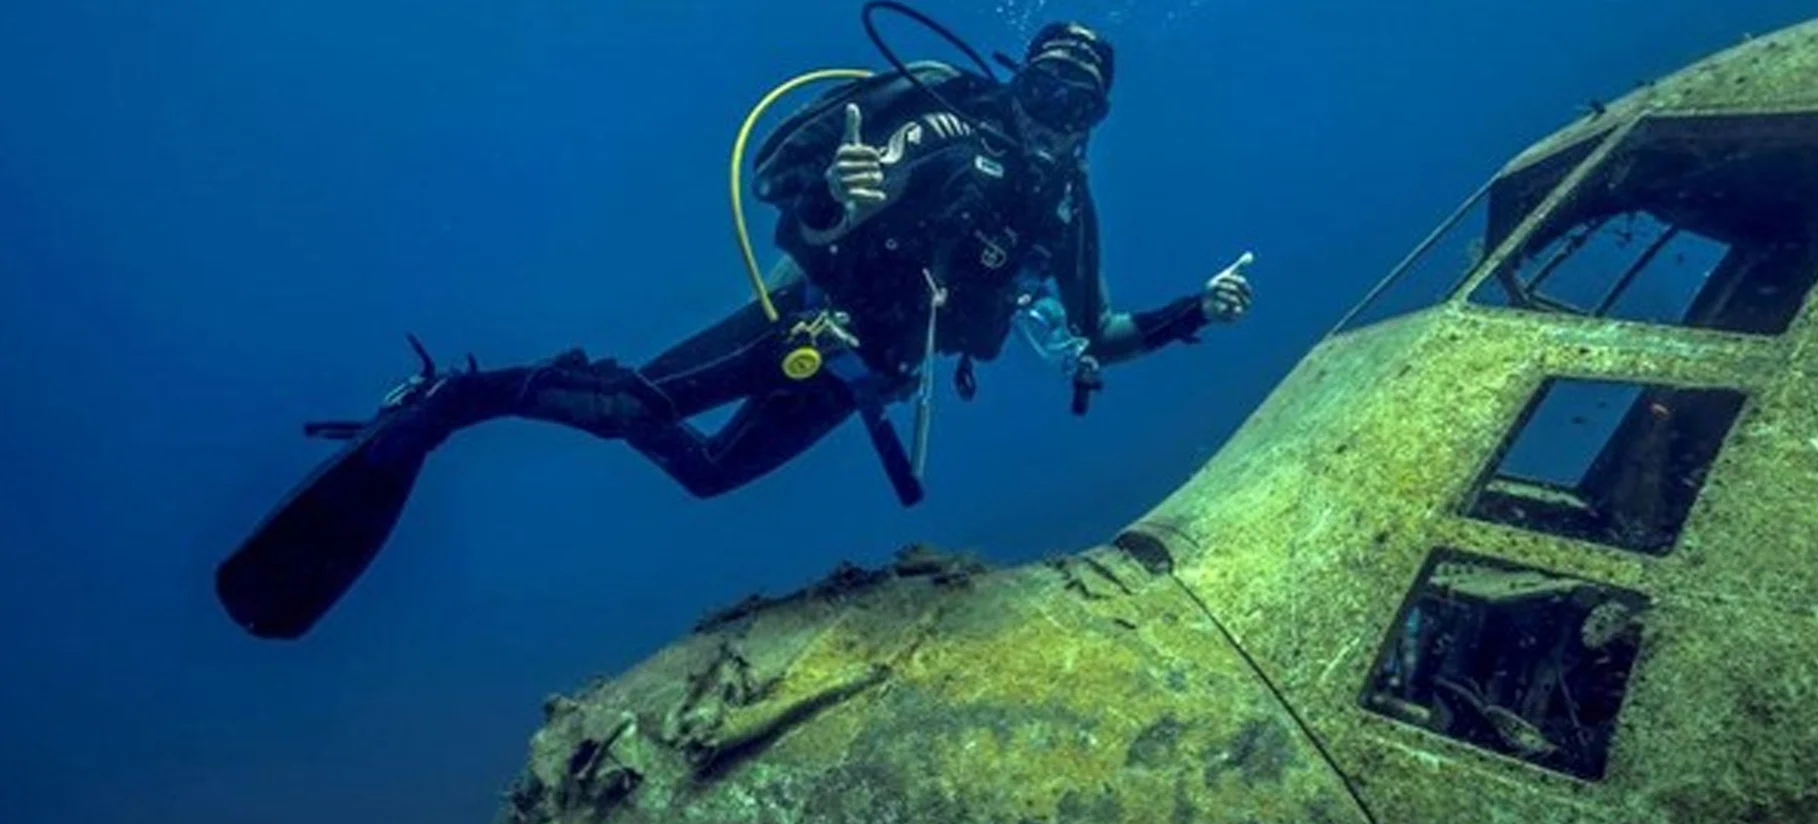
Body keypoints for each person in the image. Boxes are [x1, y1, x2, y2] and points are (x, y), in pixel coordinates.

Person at [215, 17, 1255, 640]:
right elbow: (845, 196)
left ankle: (528, 394)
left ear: (1098, 119)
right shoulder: (952, 128)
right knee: (649, 403)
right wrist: (850, 194)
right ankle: (457, 401)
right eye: (1047, 88)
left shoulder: (1068, 210)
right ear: (1019, 79)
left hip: (868, 381)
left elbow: (1099, 331)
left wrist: (1189, 315)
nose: (1058, 113)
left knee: (705, 473)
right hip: (812, 322)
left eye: (1081, 105)